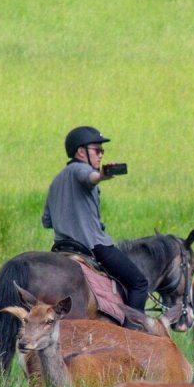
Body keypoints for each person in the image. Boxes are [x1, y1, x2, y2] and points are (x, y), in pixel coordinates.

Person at [41, 126, 149, 314]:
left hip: (61, 248)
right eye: (97, 150)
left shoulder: (56, 181)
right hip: (93, 246)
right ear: (81, 152)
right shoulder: (81, 169)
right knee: (139, 283)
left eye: (102, 152)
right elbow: (89, 178)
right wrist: (102, 175)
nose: (100, 156)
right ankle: (133, 334)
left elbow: (46, 221)